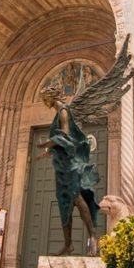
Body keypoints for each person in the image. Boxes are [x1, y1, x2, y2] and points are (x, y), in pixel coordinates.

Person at [38, 78, 100, 256]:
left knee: (78, 200)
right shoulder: (58, 113)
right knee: (65, 203)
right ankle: (68, 244)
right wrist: (48, 151)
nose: (44, 102)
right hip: (62, 167)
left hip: (71, 167)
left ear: (50, 97)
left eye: (44, 99)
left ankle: (93, 238)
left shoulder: (64, 111)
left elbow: (65, 136)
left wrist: (46, 144)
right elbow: (61, 144)